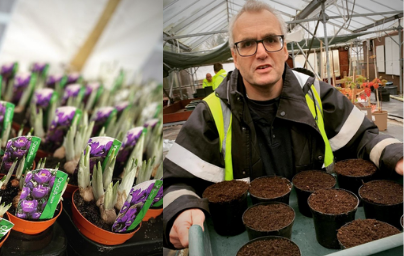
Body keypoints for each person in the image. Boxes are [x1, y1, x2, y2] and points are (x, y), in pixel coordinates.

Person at [163, 1, 403, 250]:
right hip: (241, 240)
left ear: (285, 48)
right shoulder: (211, 113)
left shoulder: (318, 95)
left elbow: (365, 137)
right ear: (234, 56)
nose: (261, 52)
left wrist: (396, 155)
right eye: (247, 44)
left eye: (271, 39)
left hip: (320, 234)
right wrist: (182, 208)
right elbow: (176, 181)